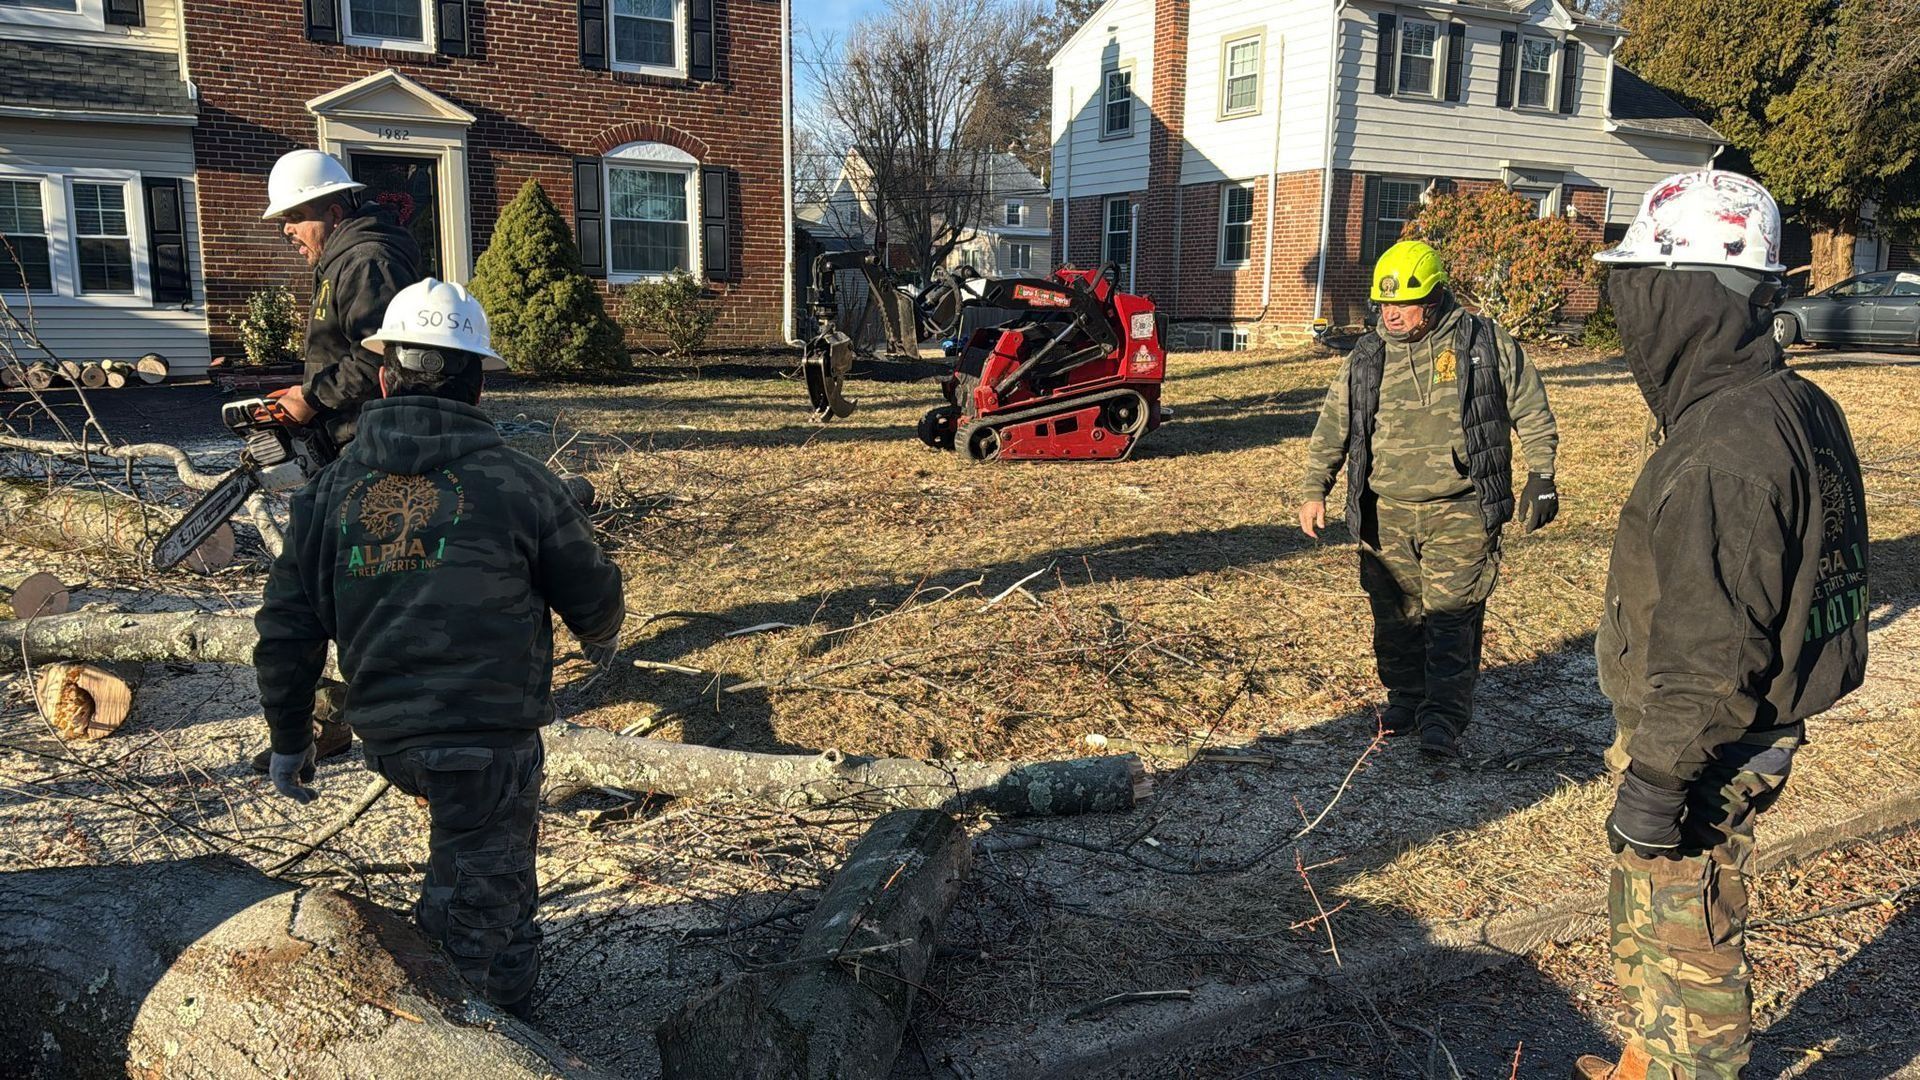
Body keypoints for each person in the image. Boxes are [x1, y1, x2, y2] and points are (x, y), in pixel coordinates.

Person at [253, 278, 625, 1018]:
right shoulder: (519, 482)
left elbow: (287, 629)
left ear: (384, 377)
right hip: (483, 738)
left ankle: (516, 994)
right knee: (468, 906)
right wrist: (600, 639)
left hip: (390, 734)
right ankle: (457, 1021)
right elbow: (594, 594)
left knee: (498, 859)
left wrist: (289, 739)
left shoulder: (328, 493)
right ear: (477, 384)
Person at [1573, 171, 1870, 1080]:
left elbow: (1714, 651)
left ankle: (1683, 1066)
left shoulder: (1724, 449)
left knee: (1683, 915)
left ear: (1683, 296)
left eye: (1637, 288)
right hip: (1752, 722)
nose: (1626, 310)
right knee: (1659, 897)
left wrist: (1660, 777)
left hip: (1714, 737)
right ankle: (1650, 1054)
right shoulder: (1792, 404)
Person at [1297, 239, 1560, 757]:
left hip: (1459, 510)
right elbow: (1335, 425)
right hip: (1385, 512)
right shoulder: (1367, 356)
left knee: (1450, 618)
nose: (1391, 315)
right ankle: (1405, 698)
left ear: (1435, 297)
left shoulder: (1483, 343)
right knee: (1395, 615)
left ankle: (1443, 716)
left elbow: (1531, 407)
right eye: (1384, 305)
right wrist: (1314, 489)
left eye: (1403, 304)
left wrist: (1542, 474)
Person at [249, 148, 423, 771]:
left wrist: (312, 397)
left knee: (359, 584)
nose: (288, 231)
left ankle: (373, 716)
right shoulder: (344, 256)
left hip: (370, 445)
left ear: (329, 204)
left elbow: (386, 354)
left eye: (293, 217)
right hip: (347, 440)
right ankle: (351, 712)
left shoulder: (368, 257)